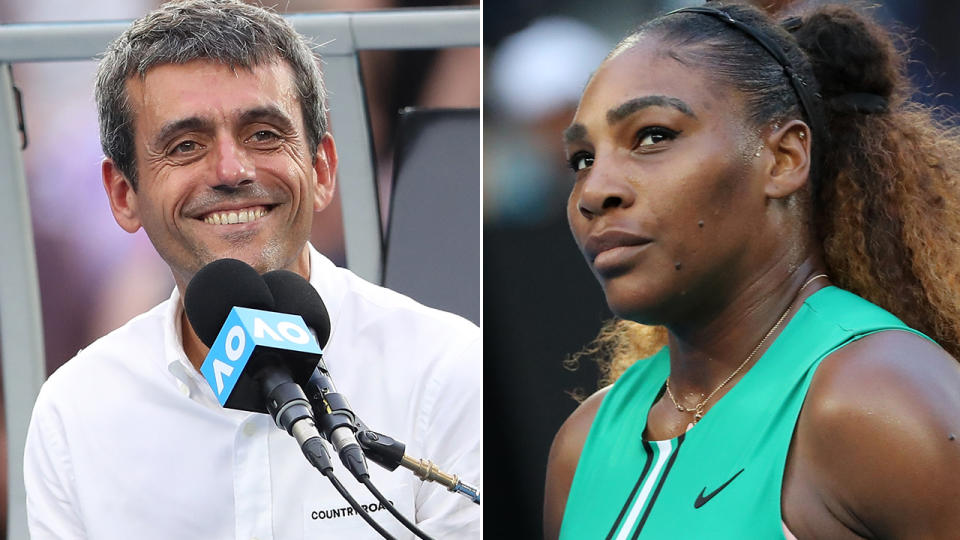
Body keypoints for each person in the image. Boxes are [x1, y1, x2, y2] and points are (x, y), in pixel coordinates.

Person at [22, 1, 481, 538]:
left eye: (263, 134)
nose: (231, 171)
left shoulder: (445, 367)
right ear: (124, 195)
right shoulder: (73, 411)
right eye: (185, 145)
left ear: (322, 168)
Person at [544, 2, 960, 539]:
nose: (596, 191)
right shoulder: (581, 445)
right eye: (583, 159)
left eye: (653, 136)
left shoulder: (878, 400)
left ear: (784, 157)